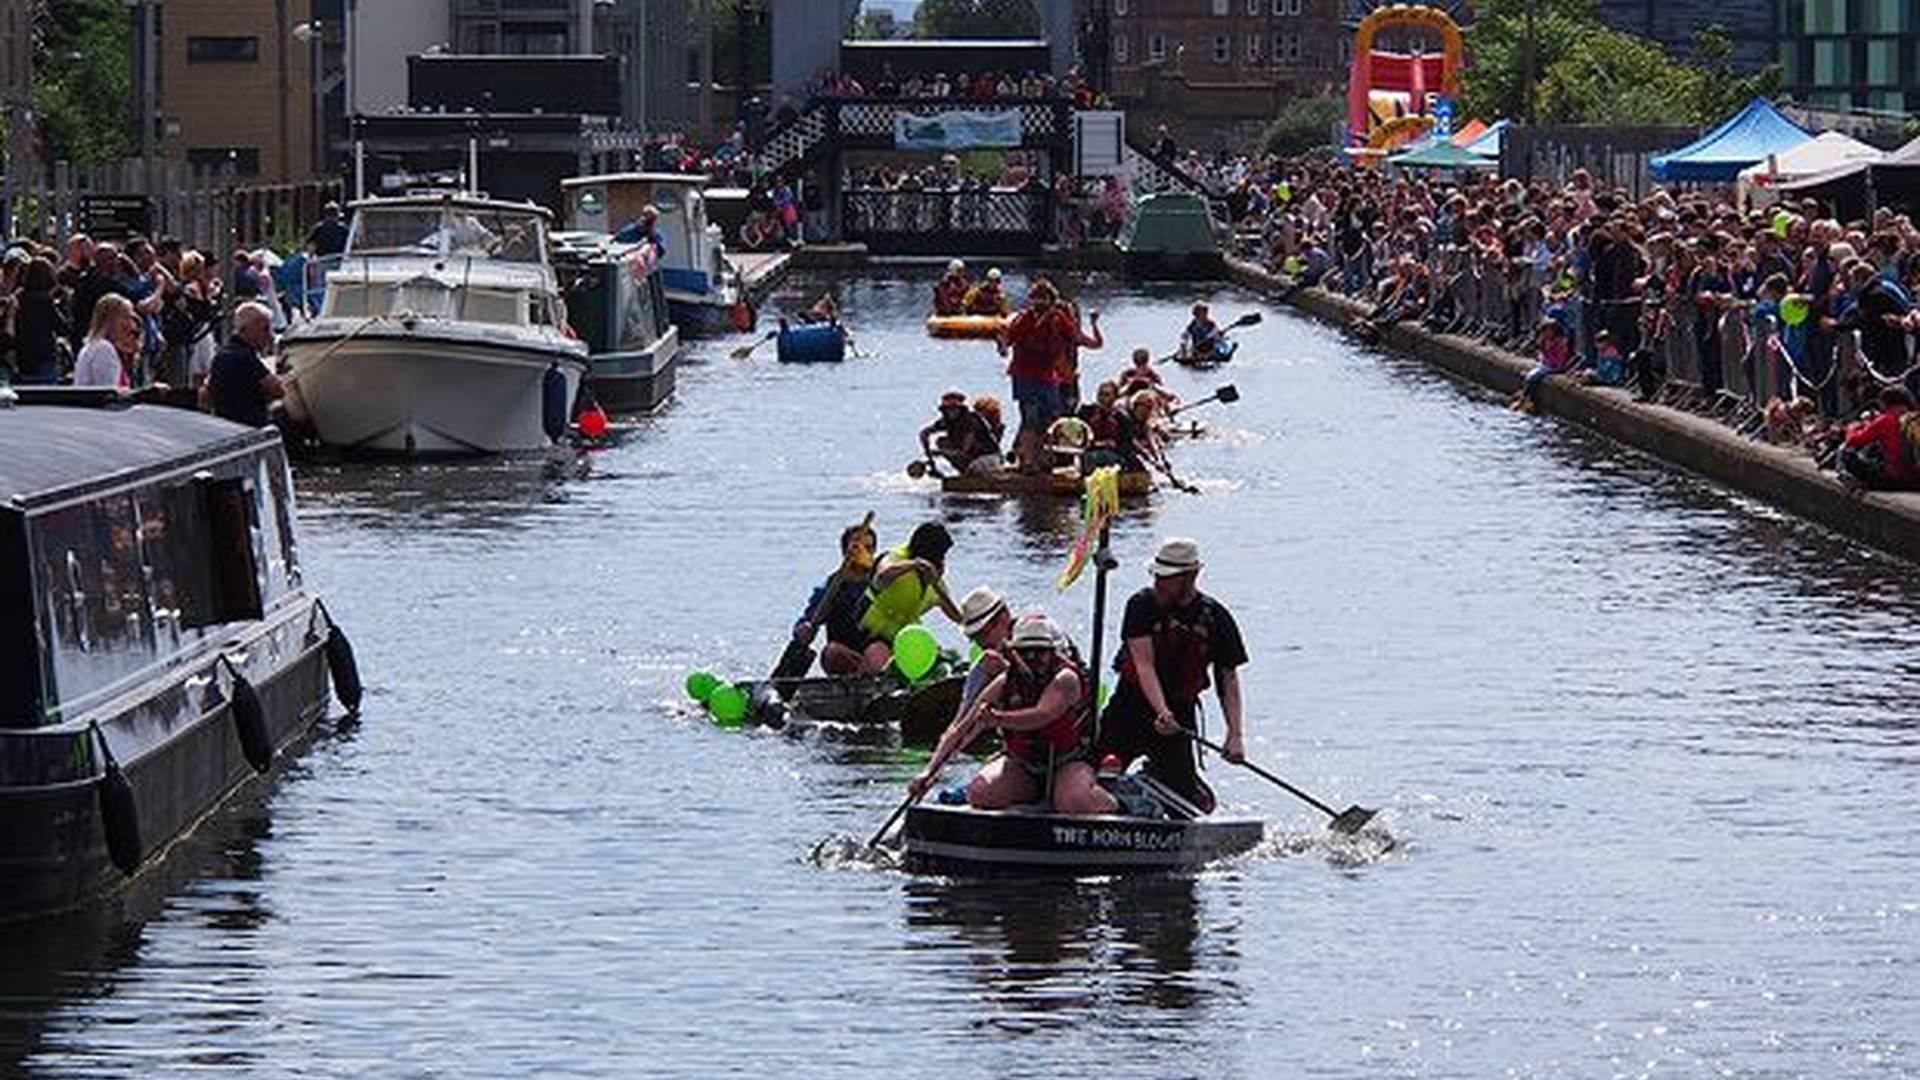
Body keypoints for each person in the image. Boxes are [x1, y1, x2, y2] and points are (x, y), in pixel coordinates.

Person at [1096, 538, 1248, 814]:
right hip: (1130, 706)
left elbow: (1228, 678)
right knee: (1099, 771)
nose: (1159, 584)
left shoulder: (1215, 617)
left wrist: (1234, 734)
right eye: (1157, 576)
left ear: (1191, 575)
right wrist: (1161, 711)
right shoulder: (1140, 605)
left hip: (1179, 714)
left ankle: (1173, 786)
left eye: (1168, 579)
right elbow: (1144, 666)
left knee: (1183, 804)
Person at [910, 615, 1118, 816]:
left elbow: (1041, 715)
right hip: (1024, 763)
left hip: (1068, 761)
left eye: (1040, 652)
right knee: (980, 793)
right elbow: (962, 728)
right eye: (1025, 652)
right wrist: (929, 771)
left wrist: (997, 719)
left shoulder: (1066, 679)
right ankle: (1033, 804)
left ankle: (1119, 803)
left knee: (1073, 801)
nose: (1032, 659)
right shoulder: (1005, 682)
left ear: (1055, 653)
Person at [857, 521, 964, 672]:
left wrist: (936, 585)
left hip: (908, 639)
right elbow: (882, 575)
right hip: (872, 635)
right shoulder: (896, 558)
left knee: (941, 664)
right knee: (884, 667)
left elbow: (958, 617)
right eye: (941, 555)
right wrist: (913, 565)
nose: (943, 561)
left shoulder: (934, 579)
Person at [998, 278, 1079, 473]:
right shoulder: (1023, 318)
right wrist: (1001, 344)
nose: (1039, 303)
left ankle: (1043, 456)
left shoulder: (1060, 318)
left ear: (1052, 300)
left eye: (1043, 299)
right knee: (1030, 417)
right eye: (1036, 299)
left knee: (1050, 416)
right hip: (1024, 374)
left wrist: (1069, 371)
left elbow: (1075, 338)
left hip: (1047, 375)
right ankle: (1027, 461)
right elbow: (1006, 343)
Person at [792, 517, 879, 676]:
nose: (864, 553)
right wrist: (803, 630)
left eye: (869, 548)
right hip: (845, 657)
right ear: (846, 552)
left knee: (877, 654)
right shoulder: (830, 587)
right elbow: (806, 622)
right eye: (858, 548)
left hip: (878, 656)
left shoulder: (882, 581)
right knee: (831, 653)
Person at [202, 301, 284, 426]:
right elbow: (278, 390)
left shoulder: (222, 354)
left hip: (224, 424)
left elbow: (207, 394)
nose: (270, 336)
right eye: (265, 329)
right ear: (247, 330)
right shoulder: (244, 356)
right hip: (249, 426)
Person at [1838, 386, 1917, 490]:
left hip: (1892, 478)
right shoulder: (1915, 418)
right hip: (1915, 478)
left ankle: (1845, 475)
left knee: (1847, 452)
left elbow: (1853, 441)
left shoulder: (1886, 419)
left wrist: (1851, 428)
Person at [11, 257, 67, 385]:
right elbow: (62, 328)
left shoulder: (19, 298)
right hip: (44, 357)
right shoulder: (45, 301)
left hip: (22, 356)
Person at [919, 389, 1003, 475]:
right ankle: (963, 473)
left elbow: (964, 451)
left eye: (954, 409)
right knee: (941, 441)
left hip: (987, 458)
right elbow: (924, 433)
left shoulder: (970, 421)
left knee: (973, 466)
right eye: (948, 410)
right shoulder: (947, 421)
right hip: (971, 459)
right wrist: (929, 455)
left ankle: (968, 475)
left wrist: (941, 452)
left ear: (961, 409)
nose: (951, 412)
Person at [72, 293, 139, 389]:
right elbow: (108, 394)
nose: (132, 325)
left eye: (131, 319)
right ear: (109, 320)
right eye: (125, 317)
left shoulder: (94, 345)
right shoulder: (103, 348)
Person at [1511, 318, 1575, 412]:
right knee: (1528, 375)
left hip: (1555, 366)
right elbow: (1543, 354)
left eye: (1549, 330)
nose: (1547, 333)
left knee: (1532, 377)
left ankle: (1526, 398)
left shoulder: (1560, 342)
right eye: (1545, 330)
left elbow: (1561, 359)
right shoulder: (1545, 341)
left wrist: (1555, 366)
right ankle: (1525, 395)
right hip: (1546, 364)